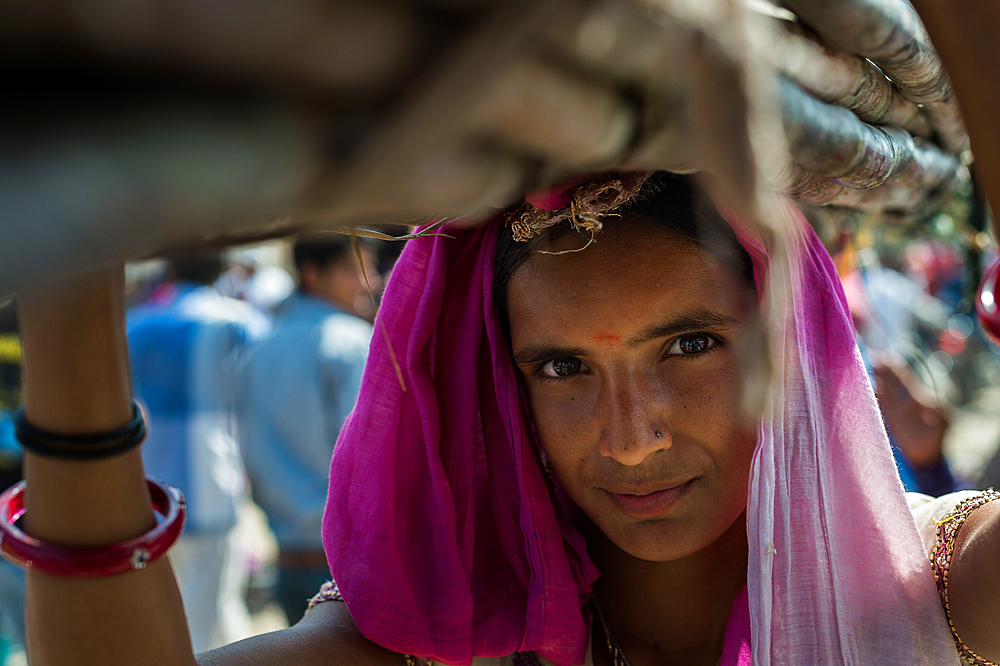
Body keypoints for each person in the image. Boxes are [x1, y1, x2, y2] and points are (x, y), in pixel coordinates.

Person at [9, 5, 1000, 666]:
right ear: (496, 384)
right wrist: (63, 266)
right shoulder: (446, 637)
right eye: (562, 367)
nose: (631, 437)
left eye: (689, 345)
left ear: (787, 341)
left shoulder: (930, 590)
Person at [126, 253, 270, 653]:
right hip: (213, 483)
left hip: (149, 489)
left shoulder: (137, 323)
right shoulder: (238, 321)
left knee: (190, 609)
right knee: (206, 615)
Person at [241, 235, 378, 624]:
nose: (370, 281)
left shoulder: (259, 345)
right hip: (349, 565)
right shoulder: (349, 342)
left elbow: (249, 451)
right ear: (312, 274)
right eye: (353, 270)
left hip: (286, 558)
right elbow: (370, 459)